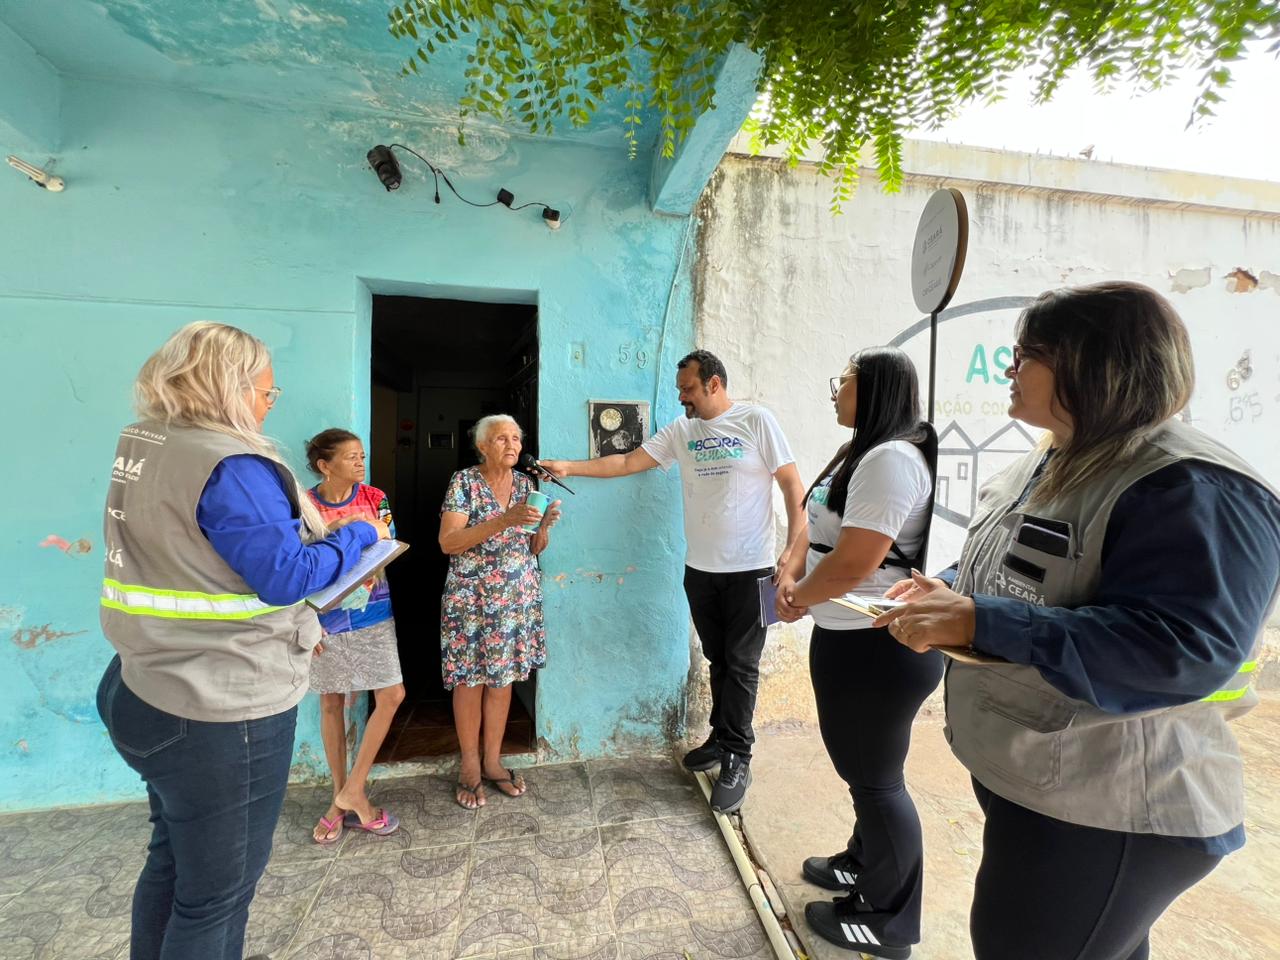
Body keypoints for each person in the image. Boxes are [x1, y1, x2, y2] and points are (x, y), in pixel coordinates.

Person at [873, 282, 1280, 960]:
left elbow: (1182, 649)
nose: (1010, 367)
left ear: (1100, 366)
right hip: (1048, 783)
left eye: (1029, 353)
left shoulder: (1189, 486)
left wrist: (981, 621)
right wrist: (944, 592)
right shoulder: (1059, 457)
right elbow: (1021, 575)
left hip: (1116, 804)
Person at [96, 322, 389, 960]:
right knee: (215, 901)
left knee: (173, 864)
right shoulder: (230, 462)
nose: (266, 403)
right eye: (265, 390)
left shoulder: (145, 438)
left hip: (141, 682)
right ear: (228, 386)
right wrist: (355, 536)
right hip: (219, 706)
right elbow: (285, 575)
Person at [541, 349, 806, 813]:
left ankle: (739, 757)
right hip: (701, 570)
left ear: (714, 385)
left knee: (742, 665)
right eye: (680, 388)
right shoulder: (682, 432)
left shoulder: (755, 420)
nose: (681, 396)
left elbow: (790, 485)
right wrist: (568, 466)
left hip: (752, 569)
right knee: (718, 660)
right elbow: (625, 463)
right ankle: (721, 740)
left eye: (688, 388)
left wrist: (794, 549)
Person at [774, 347, 939, 959]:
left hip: (879, 645)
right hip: (847, 636)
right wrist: (792, 569)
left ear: (872, 390)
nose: (835, 392)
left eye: (842, 382)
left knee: (876, 780)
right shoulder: (862, 451)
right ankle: (862, 863)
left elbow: (855, 561)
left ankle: (888, 922)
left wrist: (797, 597)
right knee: (861, 772)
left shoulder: (893, 460)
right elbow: (812, 524)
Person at [439, 414, 561, 809]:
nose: (512, 445)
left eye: (515, 438)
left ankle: (493, 761)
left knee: (502, 681)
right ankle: (470, 766)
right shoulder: (464, 482)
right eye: (501, 438)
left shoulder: (527, 485)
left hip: (514, 600)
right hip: (471, 600)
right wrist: (504, 518)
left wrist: (543, 530)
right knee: (469, 681)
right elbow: (449, 541)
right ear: (482, 446)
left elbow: (530, 548)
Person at [303, 428, 406, 844]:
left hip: (373, 610)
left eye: (362, 455)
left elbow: (386, 540)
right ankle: (344, 797)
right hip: (325, 617)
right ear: (325, 466)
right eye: (350, 457)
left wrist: (355, 536)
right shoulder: (305, 506)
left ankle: (350, 791)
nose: (360, 462)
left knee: (391, 695)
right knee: (332, 703)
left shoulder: (375, 497)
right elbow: (300, 562)